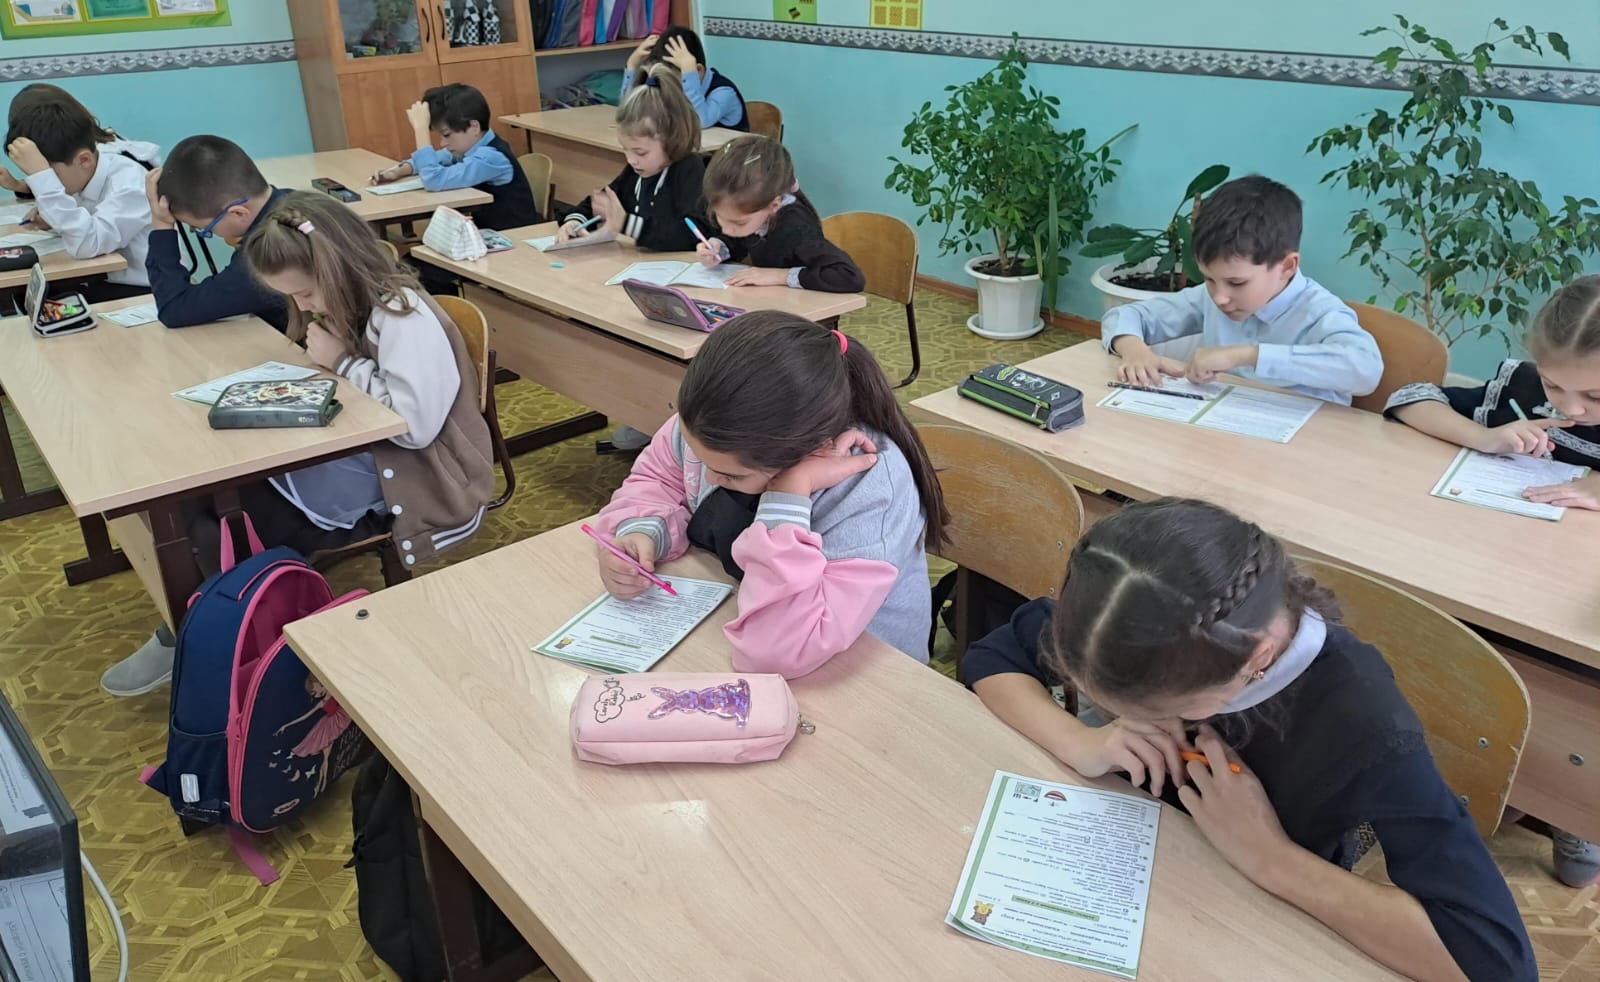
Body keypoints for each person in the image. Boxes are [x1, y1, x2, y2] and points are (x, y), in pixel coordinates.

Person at [962, 498, 1536, 981]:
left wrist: (1270, 856)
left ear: (1255, 660)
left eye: (1171, 710)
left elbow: (1493, 962)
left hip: (1249, 921)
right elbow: (993, 658)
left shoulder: (1364, 723)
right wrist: (1080, 742)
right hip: (1139, 875)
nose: (1132, 719)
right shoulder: (1132, 606)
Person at [100, 191, 494, 698]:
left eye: (306, 293)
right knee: (188, 501)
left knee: (228, 523)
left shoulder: (402, 315)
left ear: (337, 268)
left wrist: (342, 362)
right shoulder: (348, 299)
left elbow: (414, 427)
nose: (303, 306)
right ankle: (200, 625)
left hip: (413, 475)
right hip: (353, 451)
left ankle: (226, 641)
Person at [590, 311, 948, 678]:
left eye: (731, 475)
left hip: (865, 674)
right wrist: (642, 529)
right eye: (698, 456)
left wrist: (787, 495)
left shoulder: (867, 487)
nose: (707, 477)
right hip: (753, 613)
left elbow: (778, 651)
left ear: (806, 451)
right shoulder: (709, 423)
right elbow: (659, 478)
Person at [1387, 274, 1600, 889]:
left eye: (1595, 395)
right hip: (1496, 578)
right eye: (1556, 385)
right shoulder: (1519, 391)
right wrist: (1482, 435)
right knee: (1466, 659)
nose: (1572, 409)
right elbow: (1408, 398)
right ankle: (1482, 771)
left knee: (1568, 696)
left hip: (1576, 618)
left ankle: (1576, 804)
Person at [1101, 175, 1382, 405]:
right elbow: (1126, 315)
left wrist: (1246, 355)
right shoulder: (1210, 298)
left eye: (1237, 283)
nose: (1219, 297)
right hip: (1227, 431)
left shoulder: (1318, 312)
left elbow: (1366, 369)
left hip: (1308, 446)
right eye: (1209, 279)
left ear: (1287, 267)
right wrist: (1134, 350)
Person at [4, 101, 152, 301]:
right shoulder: (83, 173)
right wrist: (52, 221)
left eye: (50, 176)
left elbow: (87, 244)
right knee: (27, 292)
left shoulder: (128, 185)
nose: (48, 183)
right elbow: (88, 223)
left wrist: (45, 183)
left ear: (84, 160)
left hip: (143, 288)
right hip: (103, 276)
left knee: (45, 299)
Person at [556, 61, 708, 252]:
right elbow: (596, 205)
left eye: (640, 152)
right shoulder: (635, 172)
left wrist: (626, 224)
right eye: (625, 150)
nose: (631, 160)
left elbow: (692, 234)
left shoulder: (689, 169)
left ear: (671, 138)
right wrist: (574, 222)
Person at [145, 135, 289, 331]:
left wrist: (162, 224)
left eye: (205, 229)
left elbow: (174, 308)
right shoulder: (295, 202)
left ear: (238, 213)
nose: (209, 234)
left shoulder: (266, 258)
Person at [695, 136, 864, 293]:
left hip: (804, 307)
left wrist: (779, 276)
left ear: (774, 205)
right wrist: (718, 248)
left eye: (738, 223)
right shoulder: (754, 213)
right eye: (721, 217)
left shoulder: (796, 227)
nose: (727, 230)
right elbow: (741, 240)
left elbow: (849, 276)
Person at [370, 82, 537, 231]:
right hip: (483, 232)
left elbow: (433, 180)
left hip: (511, 235)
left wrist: (420, 129)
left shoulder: (491, 157)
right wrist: (397, 171)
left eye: (447, 135)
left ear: (473, 127)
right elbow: (434, 159)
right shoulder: (468, 147)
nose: (443, 143)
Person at [0, 83, 159, 198]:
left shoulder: (101, 159)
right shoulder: (93, 142)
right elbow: (66, 183)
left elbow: (86, 227)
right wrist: (20, 186)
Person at [622, 27, 748, 130]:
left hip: (728, 153)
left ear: (698, 71)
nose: (668, 84)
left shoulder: (724, 92)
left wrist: (689, 73)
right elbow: (630, 114)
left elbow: (698, 122)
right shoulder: (667, 84)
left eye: (676, 80)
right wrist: (632, 66)